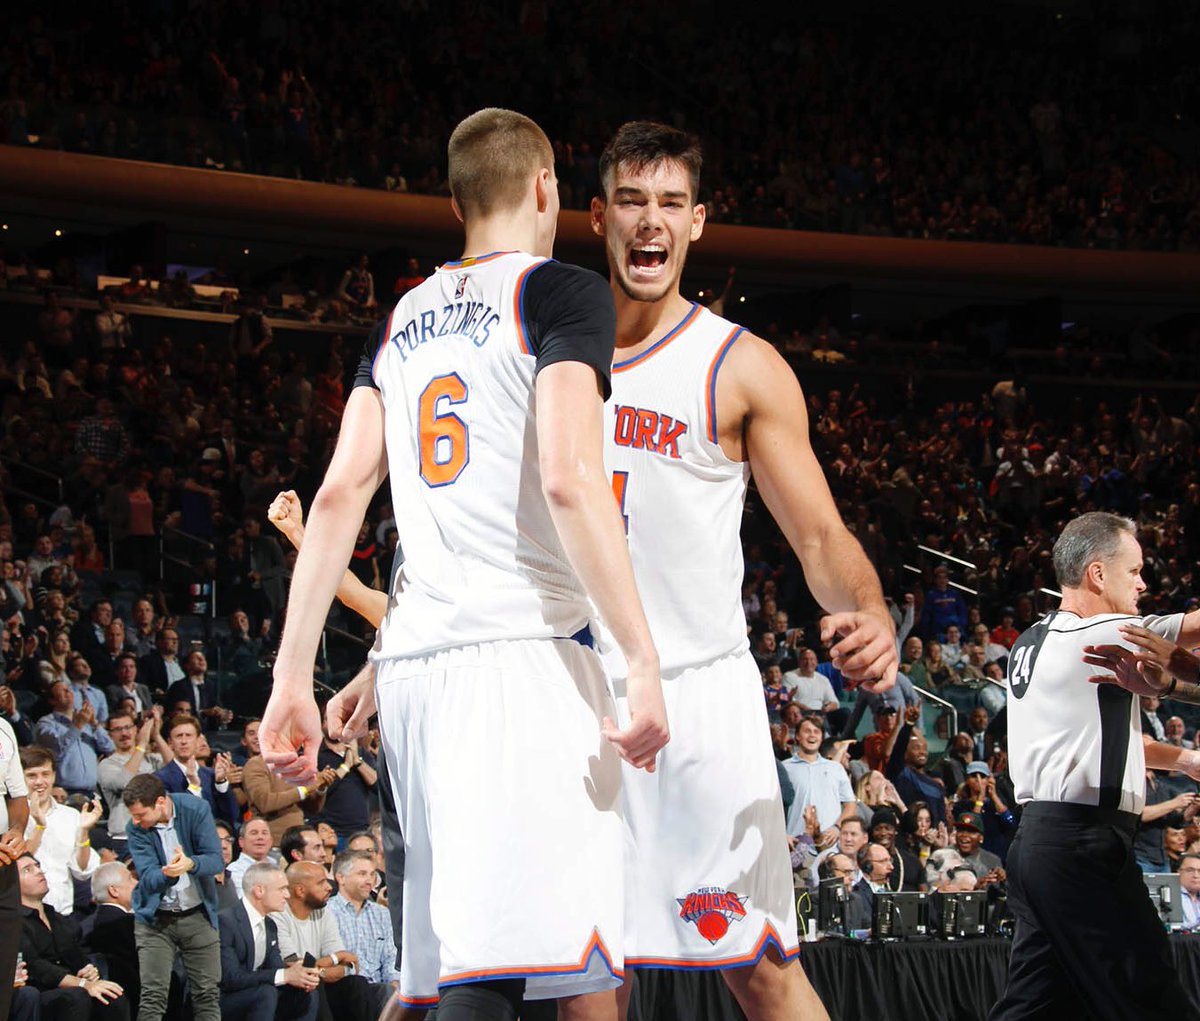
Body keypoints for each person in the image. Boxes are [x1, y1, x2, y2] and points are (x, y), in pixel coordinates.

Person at [261, 107, 669, 1021]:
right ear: (547, 189)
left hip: (419, 677)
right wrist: (639, 660)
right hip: (519, 662)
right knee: (508, 971)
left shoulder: (399, 319)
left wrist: (297, 672)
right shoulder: (561, 293)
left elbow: (336, 500)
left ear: (455, 203)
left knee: (483, 965)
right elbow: (569, 479)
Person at [586, 119, 896, 1020]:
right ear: (599, 214)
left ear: (698, 222)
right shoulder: (547, 353)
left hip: (696, 700)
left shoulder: (739, 364)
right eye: (634, 201)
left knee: (756, 966)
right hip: (578, 694)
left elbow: (819, 537)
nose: (652, 223)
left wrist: (869, 609)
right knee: (583, 972)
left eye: (671, 204)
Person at [990, 511, 1200, 1021]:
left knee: (1035, 1006)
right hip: (1083, 845)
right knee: (1151, 996)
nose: (1144, 583)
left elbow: (1083, 739)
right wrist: (1175, 685)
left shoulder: (1034, 640)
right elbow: (1192, 633)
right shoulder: (1104, 633)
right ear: (1098, 574)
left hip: (1040, 844)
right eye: (1135, 571)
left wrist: (1187, 759)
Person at [124, 772, 224, 1021]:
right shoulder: (136, 829)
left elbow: (215, 860)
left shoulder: (196, 809)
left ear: (160, 802)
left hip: (198, 916)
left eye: (140, 815)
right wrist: (169, 874)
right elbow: (147, 878)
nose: (136, 821)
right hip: (155, 921)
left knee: (207, 994)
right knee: (153, 996)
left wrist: (190, 863)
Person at [17, 853, 129, 1021]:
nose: (39, 872)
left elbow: (76, 955)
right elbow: (36, 966)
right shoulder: (11, 922)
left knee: (112, 995)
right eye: (27, 870)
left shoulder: (57, 918)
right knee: (75, 997)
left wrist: (88, 971)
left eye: (38, 866)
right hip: (38, 990)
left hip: (71, 987)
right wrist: (83, 984)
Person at [275, 860, 386, 1021]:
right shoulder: (278, 915)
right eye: (321, 883)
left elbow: (347, 965)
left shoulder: (324, 912)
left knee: (356, 984)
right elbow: (295, 965)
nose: (329, 887)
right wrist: (333, 959)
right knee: (313, 984)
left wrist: (322, 967)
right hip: (290, 992)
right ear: (300, 890)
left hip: (319, 984)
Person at [219, 861, 319, 1021]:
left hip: (257, 995)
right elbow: (230, 978)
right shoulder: (226, 921)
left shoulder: (270, 924)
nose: (287, 895)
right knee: (266, 992)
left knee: (307, 993)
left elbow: (275, 967)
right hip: (224, 1000)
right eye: (282, 889)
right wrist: (285, 975)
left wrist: (300, 975)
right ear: (259, 890)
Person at [20, 747, 100, 915]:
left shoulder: (70, 815)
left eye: (45, 774)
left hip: (64, 913)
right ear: (20, 778)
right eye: (32, 775)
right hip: (25, 915)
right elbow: (20, 864)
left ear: (54, 776)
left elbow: (81, 870)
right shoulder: (12, 816)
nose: (40, 781)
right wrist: (39, 826)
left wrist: (84, 831)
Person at [326, 851, 399, 989]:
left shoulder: (382, 913)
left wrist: (395, 984)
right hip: (343, 986)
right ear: (341, 878)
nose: (369, 880)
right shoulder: (327, 912)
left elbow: (391, 957)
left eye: (372, 874)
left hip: (379, 988)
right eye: (362, 874)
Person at [97, 709, 172, 843]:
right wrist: (142, 744)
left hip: (156, 833)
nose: (124, 733)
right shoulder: (107, 765)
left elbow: (176, 770)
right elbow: (125, 782)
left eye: (127, 727)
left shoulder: (152, 759)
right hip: (125, 836)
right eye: (117, 729)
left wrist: (156, 735)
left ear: (136, 729)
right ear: (110, 735)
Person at [155, 714, 238, 825]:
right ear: (170, 743)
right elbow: (171, 816)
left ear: (198, 740)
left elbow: (232, 816)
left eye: (188, 735)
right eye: (179, 736)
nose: (184, 741)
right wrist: (193, 787)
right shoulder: (159, 779)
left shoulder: (211, 775)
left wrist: (221, 783)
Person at [0, 713, 28, 1021]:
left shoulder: (3, 728)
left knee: (3, 966)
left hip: (4, 861)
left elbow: (18, 795)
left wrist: (17, 831)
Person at [85, 862, 141, 1012]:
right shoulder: (123, 923)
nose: (136, 883)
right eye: (130, 879)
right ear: (114, 891)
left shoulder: (89, 922)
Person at [227, 817, 278, 897]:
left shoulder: (277, 865)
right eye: (254, 833)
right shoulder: (234, 870)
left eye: (264, 833)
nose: (260, 837)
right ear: (241, 842)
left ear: (271, 841)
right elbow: (245, 902)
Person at [1180, 852, 1200, 931]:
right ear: (1178, 872)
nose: (1196, 875)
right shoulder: (1170, 896)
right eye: (1190, 870)